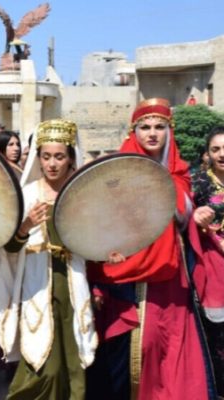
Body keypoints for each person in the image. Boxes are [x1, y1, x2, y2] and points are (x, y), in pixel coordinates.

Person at [86, 98, 210, 400]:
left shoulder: (180, 174)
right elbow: (100, 223)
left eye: (159, 127)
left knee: (170, 340)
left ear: (169, 131)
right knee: (137, 346)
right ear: (134, 131)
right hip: (127, 273)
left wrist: (192, 214)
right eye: (145, 127)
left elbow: (183, 217)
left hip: (171, 275)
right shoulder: (117, 172)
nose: (152, 133)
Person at [0, 119, 97, 400]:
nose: (52, 164)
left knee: (73, 361)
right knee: (43, 365)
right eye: (46, 156)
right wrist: (25, 227)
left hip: (72, 284)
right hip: (36, 286)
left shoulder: (80, 194)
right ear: (38, 157)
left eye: (59, 157)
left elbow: (96, 240)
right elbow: (8, 249)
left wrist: (107, 253)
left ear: (70, 158)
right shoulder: (27, 194)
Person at [190, 125, 224, 397]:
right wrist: (196, 218)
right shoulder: (197, 183)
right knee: (219, 340)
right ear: (207, 154)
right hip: (215, 266)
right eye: (216, 149)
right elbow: (182, 222)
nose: (222, 154)